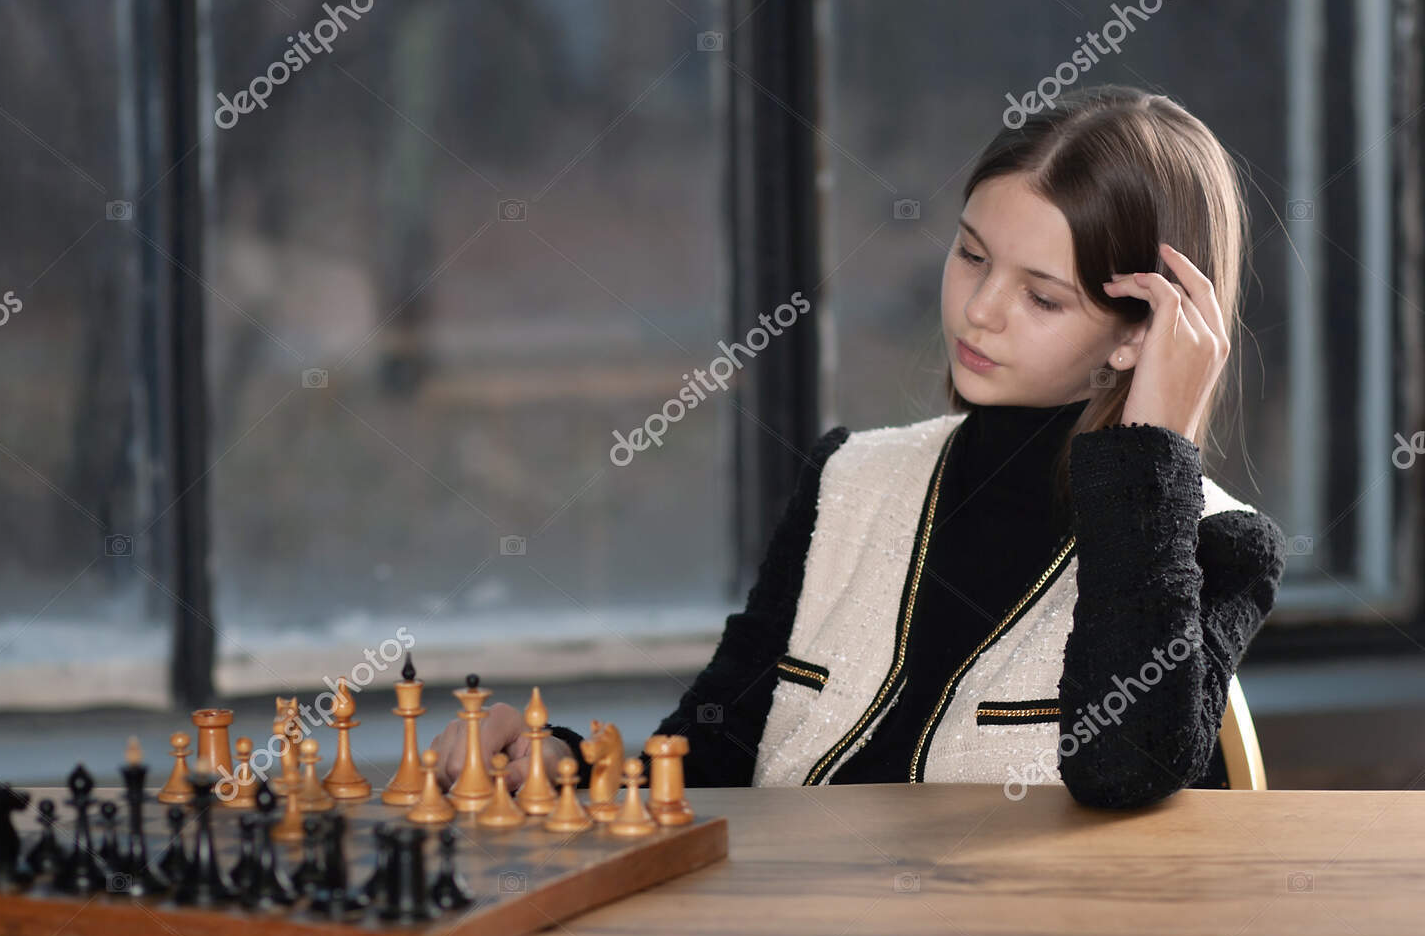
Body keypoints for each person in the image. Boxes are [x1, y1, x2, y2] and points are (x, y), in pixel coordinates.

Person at [428, 84, 1287, 811]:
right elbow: (715, 745)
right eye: (970, 256)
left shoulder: (1215, 544)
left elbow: (1124, 771)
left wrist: (1156, 449)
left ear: (1139, 336)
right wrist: (564, 766)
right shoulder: (850, 479)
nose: (980, 309)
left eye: (1043, 298)